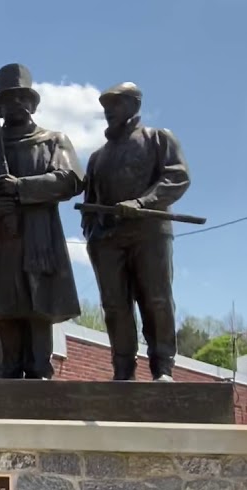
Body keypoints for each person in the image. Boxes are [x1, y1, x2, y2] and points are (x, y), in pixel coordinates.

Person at [0, 63, 83, 379]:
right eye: (8, 99)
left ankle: (40, 370)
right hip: (1, 242)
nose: (15, 105)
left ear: (32, 103)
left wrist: (21, 187)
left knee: (39, 305)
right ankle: (8, 372)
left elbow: (69, 180)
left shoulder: (54, 141)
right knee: (5, 305)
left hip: (40, 238)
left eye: (21, 98)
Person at [80, 81, 191, 382]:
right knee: (115, 306)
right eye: (105, 107)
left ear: (134, 105)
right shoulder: (97, 157)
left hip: (149, 232)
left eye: (115, 104)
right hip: (107, 240)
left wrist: (142, 202)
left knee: (156, 299)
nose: (109, 112)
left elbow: (177, 177)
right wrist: (93, 236)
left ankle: (163, 367)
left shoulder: (157, 139)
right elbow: (89, 205)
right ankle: (123, 369)